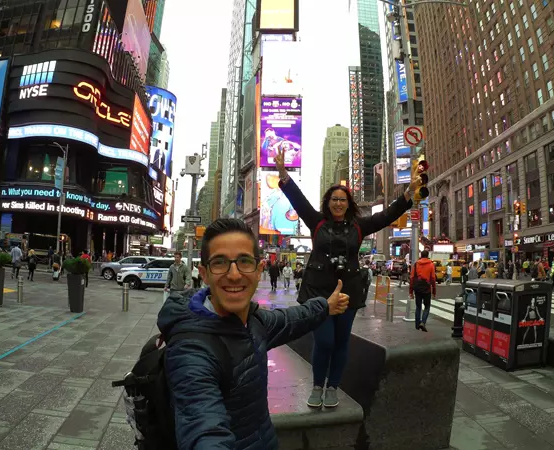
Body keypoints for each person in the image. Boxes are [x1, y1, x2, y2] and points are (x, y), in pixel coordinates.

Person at [158, 218, 350, 449]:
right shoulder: (191, 350)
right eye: (220, 263)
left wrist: (326, 306)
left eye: (244, 262)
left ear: (259, 270)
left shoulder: (253, 320)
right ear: (204, 273)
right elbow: (202, 424)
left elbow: (290, 319)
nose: (234, 274)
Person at [275, 145, 417, 408]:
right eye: (334, 200)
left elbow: (386, 216)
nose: (338, 203)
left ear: (347, 204)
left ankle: (333, 387)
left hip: (348, 292)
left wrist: (407, 195)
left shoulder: (358, 226)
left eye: (342, 200)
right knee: (325, 340)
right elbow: (298, 200)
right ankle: (318, 385)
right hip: (318, 292)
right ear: (328, 204)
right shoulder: (316, 221)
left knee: (341, 343)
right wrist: (283, 171)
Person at [409, 250, 437, 332]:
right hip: (427, 288)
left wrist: (411, 291)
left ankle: (417, 324)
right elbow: (433, 279)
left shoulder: (416, 264)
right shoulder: (431, 264)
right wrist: (434, 291)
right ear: (428, 255)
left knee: (418, 307)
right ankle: (423, 322)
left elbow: (412, 278)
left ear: (421, 255)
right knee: (427, 306)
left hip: (417, 288)